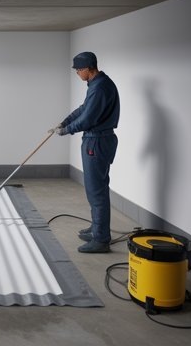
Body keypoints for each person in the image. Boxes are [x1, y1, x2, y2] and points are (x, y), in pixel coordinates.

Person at [51, 51, 120, 253]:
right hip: (99, 140)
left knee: (95, 190)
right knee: (97, 188)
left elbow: (88, 119)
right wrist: (65, 121)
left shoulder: (99, 88)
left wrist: (66, 131)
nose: (77, 74)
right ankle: (97, 228)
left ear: (88, 69)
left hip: (96, 141)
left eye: (78, 70)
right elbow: (84, 109)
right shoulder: (99, 84)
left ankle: (100, 239)